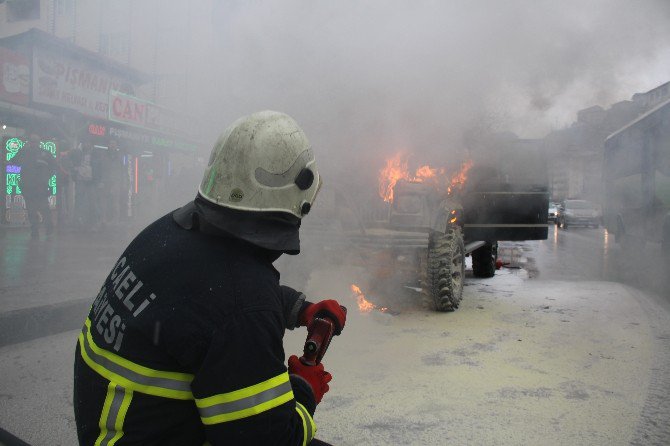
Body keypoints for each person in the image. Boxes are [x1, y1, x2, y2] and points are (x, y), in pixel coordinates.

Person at [73, 111, 347, 445]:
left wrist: (298, 308)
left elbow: (207, 299)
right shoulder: (240, 303)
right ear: (296, 201)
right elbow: (268, 440)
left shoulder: (168, 233)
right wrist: (304, 389)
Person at [14, 133, 56, 239]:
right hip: (29, 186)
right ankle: (35, 229)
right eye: (32, 141)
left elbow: (53, 167)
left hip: (38, 186)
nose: (33, 143)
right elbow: (13, 162)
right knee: (32, 209)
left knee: (42, 207)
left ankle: (47, 227)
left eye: (35, 141)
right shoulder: (24, 152)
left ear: (38, 142)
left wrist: (45, 178)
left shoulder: (44, 153)